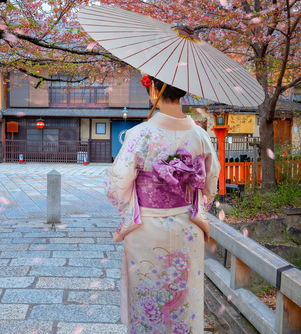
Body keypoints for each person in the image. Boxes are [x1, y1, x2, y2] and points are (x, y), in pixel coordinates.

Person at [104, 76, 220, 333]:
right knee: (184, 300)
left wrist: (129, 207)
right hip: (187, 228)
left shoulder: (140, 134)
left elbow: (116, 186)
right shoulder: (200, 136)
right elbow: (210, 185)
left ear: (154, 89)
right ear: (183, 93)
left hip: (146, 227)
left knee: (148, 298)